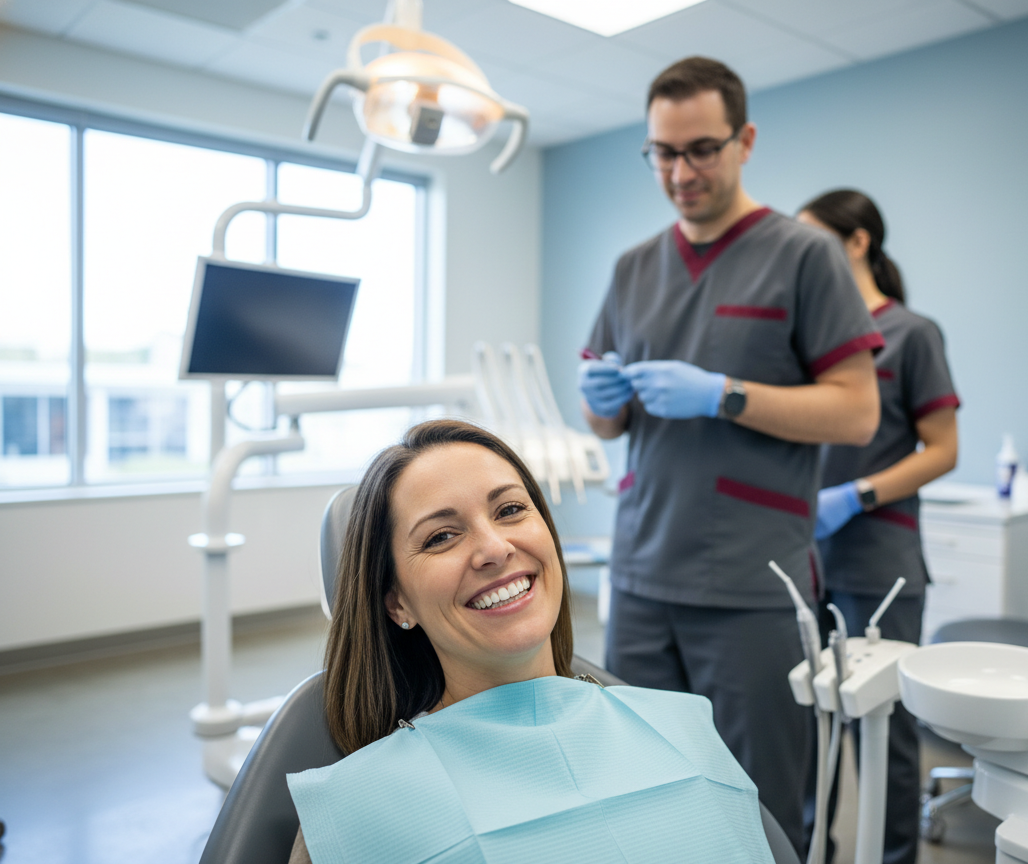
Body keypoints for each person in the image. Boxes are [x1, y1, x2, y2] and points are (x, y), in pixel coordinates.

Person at [578, 57, 883, 857]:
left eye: (702, 149)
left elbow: (857, 411)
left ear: (745, 141)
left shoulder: (802, 256)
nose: (680, 173)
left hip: (752, 581)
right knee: (641, 788)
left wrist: (724, 393)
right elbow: (602, 423)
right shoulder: (631, 268)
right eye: (662, 153)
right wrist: (601, 403)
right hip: (642, 572)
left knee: (759, 806)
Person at [285, 419, 778, 864]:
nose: (495, 549)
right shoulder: (356, 810)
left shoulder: (683, 728)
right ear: (397, 604)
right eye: (441, 537)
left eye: (511, 509)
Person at [798, 189, 960, 864]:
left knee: (881, 729)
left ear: (857, 241)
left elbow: (944, 450)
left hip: (878, 560)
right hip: (805, 555)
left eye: (814, 241)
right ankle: (814, 850)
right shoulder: (807, 338)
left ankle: (896, 857)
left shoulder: (911, 333)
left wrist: (856, 496)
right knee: (814, 722)